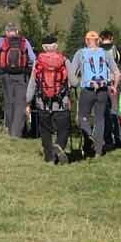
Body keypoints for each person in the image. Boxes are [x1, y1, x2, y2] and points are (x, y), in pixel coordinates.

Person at [0, 20, 37, 138]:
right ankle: (17, 132)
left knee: (9, 102)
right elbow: (33, 59)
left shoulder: (2, 41)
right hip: (22, 76)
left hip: (5, 75)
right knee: (20, 103)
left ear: (6, 32)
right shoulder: (24, 41)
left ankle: (9, 128)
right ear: (17, 31)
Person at [70, 29, 113, 159]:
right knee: (100, 119)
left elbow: (72, 73)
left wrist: (74, 84)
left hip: (87, 90)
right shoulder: (105, 53)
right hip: (103, 90)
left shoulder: (80, 53)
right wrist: (114, 85)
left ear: (86, 41)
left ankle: (89, 136)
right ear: (98, 41)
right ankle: (98, 151)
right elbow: (115, 72)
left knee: (83, 117)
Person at [32, 37, 73, 165]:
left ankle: (49, 158)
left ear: (43, 47)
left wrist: (27, 101)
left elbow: (32, 83)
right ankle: (59, 146)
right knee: (64, 128)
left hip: (42, 102)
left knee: (45, 130)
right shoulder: (64, 60)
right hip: (61, 103)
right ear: (56, 46)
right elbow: (74, 82)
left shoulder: (37, 61)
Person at [99, 30, 121, 152]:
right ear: (111, 38)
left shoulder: (97, 50)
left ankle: (107, 140)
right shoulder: (117, 50)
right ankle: (118, 139)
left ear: (100, 39)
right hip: (115, 85)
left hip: (101, 85)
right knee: (115, 112)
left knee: (103, 113)